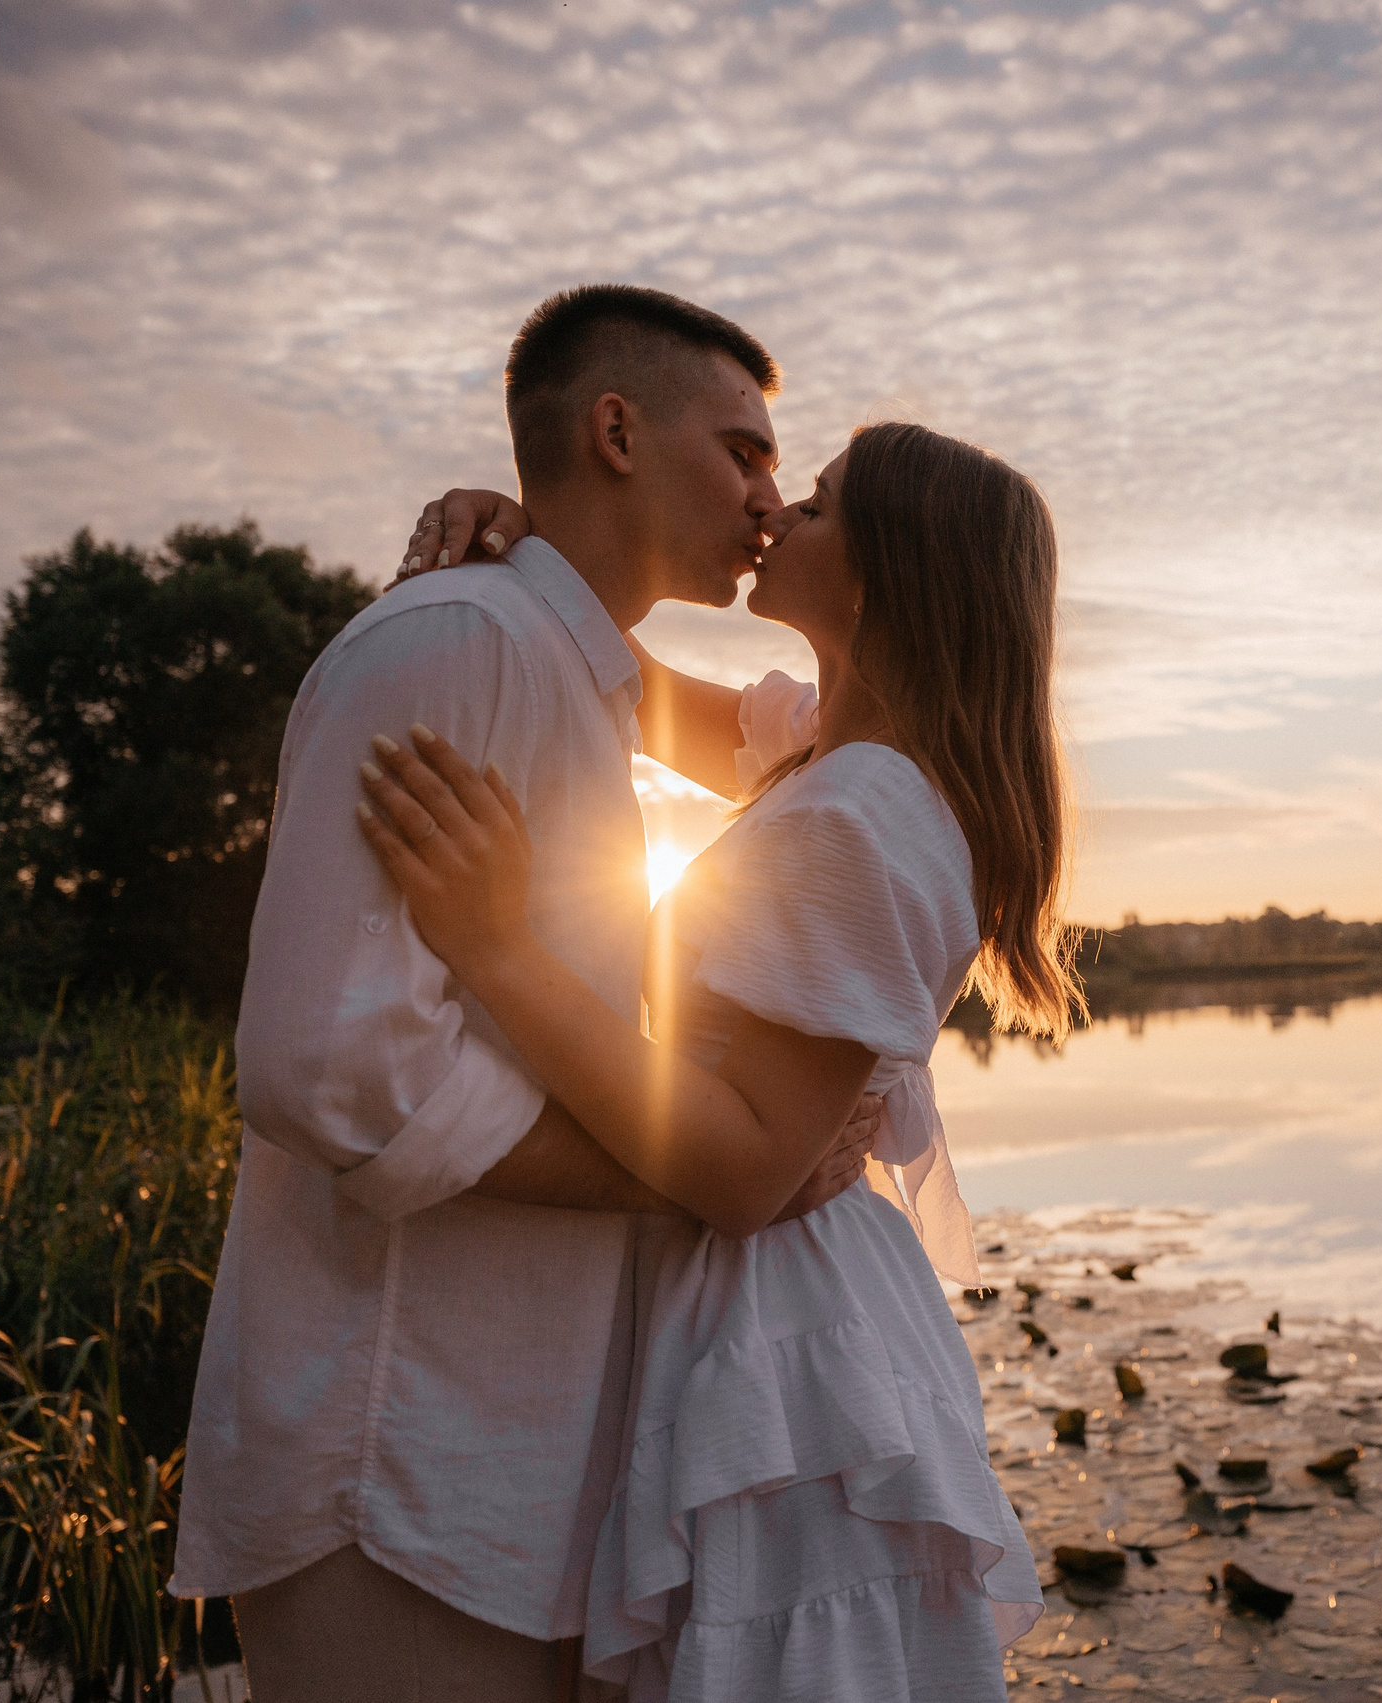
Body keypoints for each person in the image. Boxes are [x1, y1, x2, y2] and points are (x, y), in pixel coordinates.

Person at [170, 285, 879, 1703]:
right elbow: (328, 1067)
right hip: (395, 1472)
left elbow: (815, 755)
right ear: (616, 430)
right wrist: (684, 1175)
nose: (771, 490)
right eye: (742, 449)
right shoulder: (461, 642)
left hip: (527, 1467)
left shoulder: (578, 671)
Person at [358, 418, 1076, 1699]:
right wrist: (541, 547)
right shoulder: (831, 750)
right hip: (782, 1301)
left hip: (786, 1327)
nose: (780, 514)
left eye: (822, 503)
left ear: (886, 572)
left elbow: (746, 1168)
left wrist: (498, 945)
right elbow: (640, 696)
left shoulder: (861, 816)